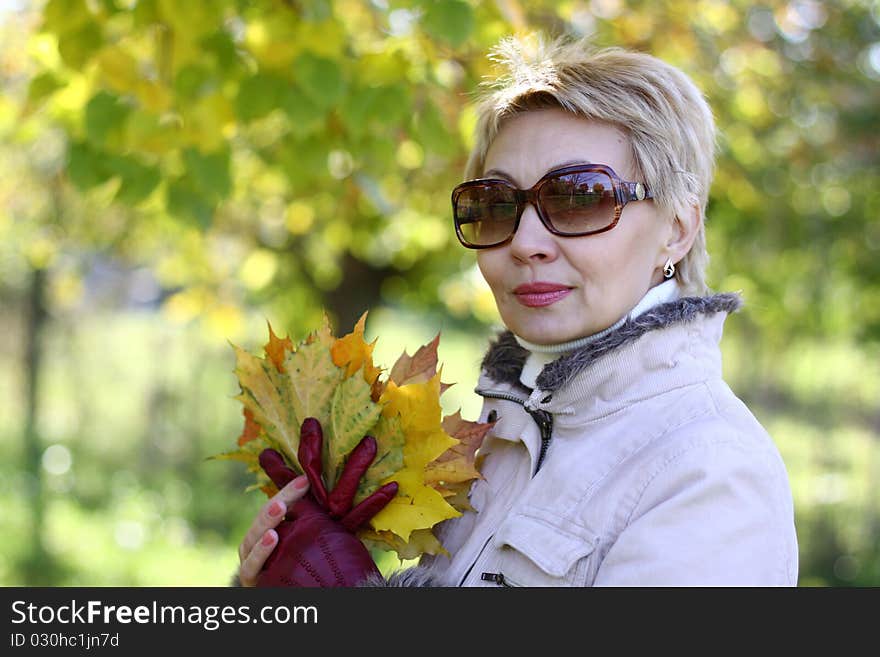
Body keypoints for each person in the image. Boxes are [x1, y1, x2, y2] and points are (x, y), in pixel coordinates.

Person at [236, 34, 799, 587]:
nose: (525, 241)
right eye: (496, 204)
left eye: (579, 197)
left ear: (677, 229)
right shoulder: (496, 434)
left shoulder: (709, 474)